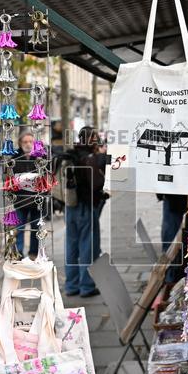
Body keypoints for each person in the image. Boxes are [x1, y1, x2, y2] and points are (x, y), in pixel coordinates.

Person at [64, 126, 107, 297]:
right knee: (88, 247)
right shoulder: (89, 158)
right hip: (85, 207)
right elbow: (96, 184)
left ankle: (71, 286)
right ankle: (87, 287)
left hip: (70, 206)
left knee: (71, 247)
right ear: (91, 140)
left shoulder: (71, 154)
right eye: (96, 138)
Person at [13, 132, 41, 258]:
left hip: (36, 200)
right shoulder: (15, 158)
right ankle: (19, 253)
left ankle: (33, 253)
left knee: (36, 228)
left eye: (31, 142)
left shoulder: (40, 158)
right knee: (19, 228)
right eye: (25, 142)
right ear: (20, 144)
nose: (28, 144)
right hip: (20, 199)